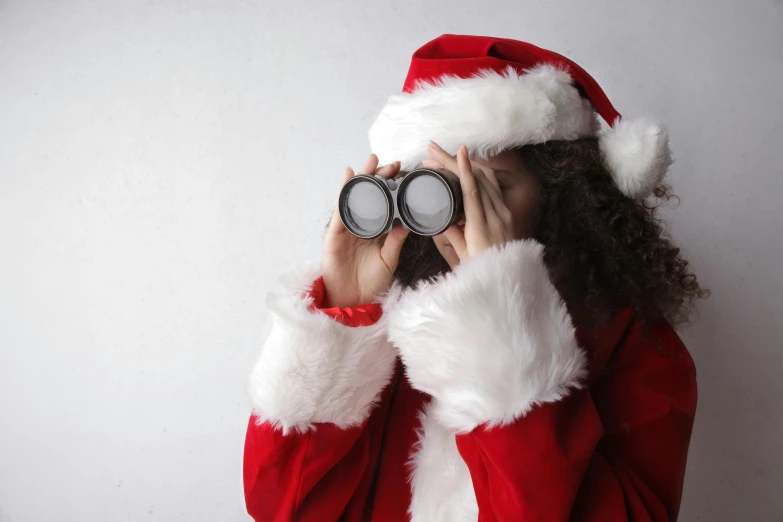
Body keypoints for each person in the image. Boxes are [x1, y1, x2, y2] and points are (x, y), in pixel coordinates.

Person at [243, 34, 708, 522]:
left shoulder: (638, 345)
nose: (456, 216)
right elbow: (283, 508)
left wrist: (503, 338)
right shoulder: (392, 328)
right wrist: (344, 316)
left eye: (490, 188)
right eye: (437, 188)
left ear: (561, 193)